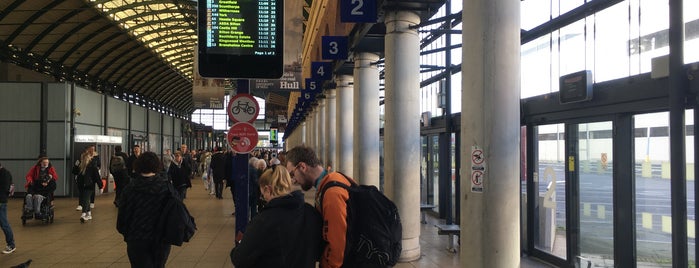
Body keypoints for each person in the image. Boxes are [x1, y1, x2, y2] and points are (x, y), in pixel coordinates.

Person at [230, 165, 323, 268]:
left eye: (262, 195)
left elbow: (240, 259)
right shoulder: (310, 212)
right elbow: (320, 250)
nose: (264, 199)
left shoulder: (263, 221)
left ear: (268, 189)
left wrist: (239, 244)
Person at [285, 146, 353, 268]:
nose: (293, 180)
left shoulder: (332, 193)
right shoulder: (336, 179)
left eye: (292, 174)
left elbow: (337, 244)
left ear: (302, 167)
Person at [117, 152, 173, 268]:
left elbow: (122, 218)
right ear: (157, 166)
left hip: (136, 239)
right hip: (160, 239)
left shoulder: (129, 189)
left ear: (137, 166)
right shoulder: (166, 189)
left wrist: (128, 233)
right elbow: (174, 214)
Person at [225, 137, 250, 238]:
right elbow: (226, 167)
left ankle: (241, 211)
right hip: (232, 180)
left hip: (241, 180)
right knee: (235, 195)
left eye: (236, 144)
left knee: (242, 196)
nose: (234, 146)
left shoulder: (243, 155)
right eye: (233, 144)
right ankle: (237, 208)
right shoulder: (228, 156)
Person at [73, 145, 103, 222]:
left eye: (85, 158)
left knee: (86, 199)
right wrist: (76, 166)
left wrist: (100, 186)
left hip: (89, 185)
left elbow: (97, 176)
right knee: (84, 198)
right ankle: (89, 214)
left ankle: (83, 214)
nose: (83, 159)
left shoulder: (92, 166)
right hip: (81, 184)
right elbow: (74, 172)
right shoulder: (80, 166)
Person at [0, 162, 16, 254]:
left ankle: (11, 245)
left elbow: (5, 189)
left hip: (1, 202)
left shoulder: (4, 174)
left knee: (4, 224)